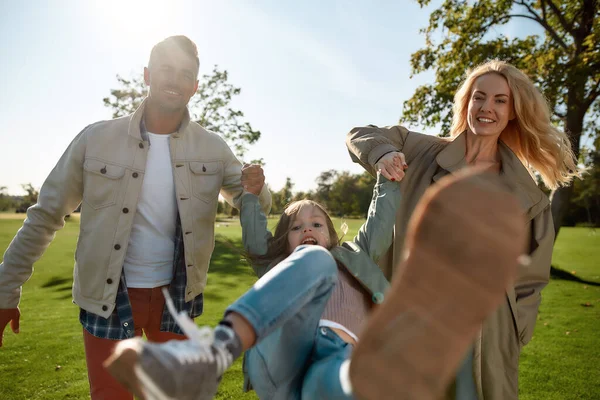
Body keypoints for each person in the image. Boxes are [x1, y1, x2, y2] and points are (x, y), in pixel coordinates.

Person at [0, 35, 270, 400]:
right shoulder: (95, 139)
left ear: (195, 86)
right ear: (147, 75)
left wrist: (259, 188)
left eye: (184, 73)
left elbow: (254, 205)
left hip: (178, 297)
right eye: (165, 70)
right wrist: (6, 289)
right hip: (106, 297)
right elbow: (45, 214)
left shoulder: (213, 147)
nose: (174, 80)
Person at [104, 167, 527, 400]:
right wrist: (251, 196)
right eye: (295, 227)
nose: (307, 230)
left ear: (332, 230)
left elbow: (380, 218)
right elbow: (256, 240)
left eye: (317, 224)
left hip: (345, 364)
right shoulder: (283, 267)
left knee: (360, 377)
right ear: (282, 240)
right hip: (288, 354)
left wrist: (389, 177)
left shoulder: (355, 255)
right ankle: (212, 355)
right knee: (313, 262)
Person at [345, 59, 580, 399]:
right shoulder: (419, 150)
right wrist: (382, 153)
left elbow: (532, 278)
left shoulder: (529, 197)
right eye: (479, 97)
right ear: (466, 102)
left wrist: (514, 331)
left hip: (483, 336)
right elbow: (360, 134)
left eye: (501, 100)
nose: (487, 108)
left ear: (513, 111)